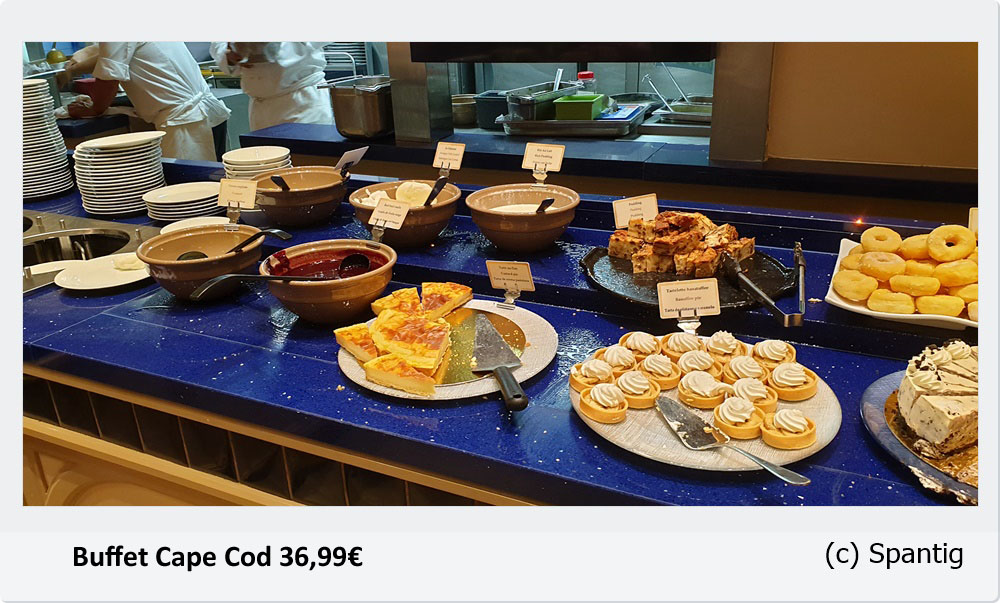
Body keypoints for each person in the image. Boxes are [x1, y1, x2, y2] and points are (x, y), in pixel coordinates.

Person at [64, 43, 230, 161]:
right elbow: (106, 56)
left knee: (191, 191)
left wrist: (94, 109)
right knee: (213, 183)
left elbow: (108, 79)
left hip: (186, 123)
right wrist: (72, 69)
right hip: (205, 113)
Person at [209, 42, 332, 131]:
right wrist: (230, 56)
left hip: (301, 101)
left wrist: (268, 48)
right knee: (266, 158)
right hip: (260, 106)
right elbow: (218, 45)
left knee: (308, 156)